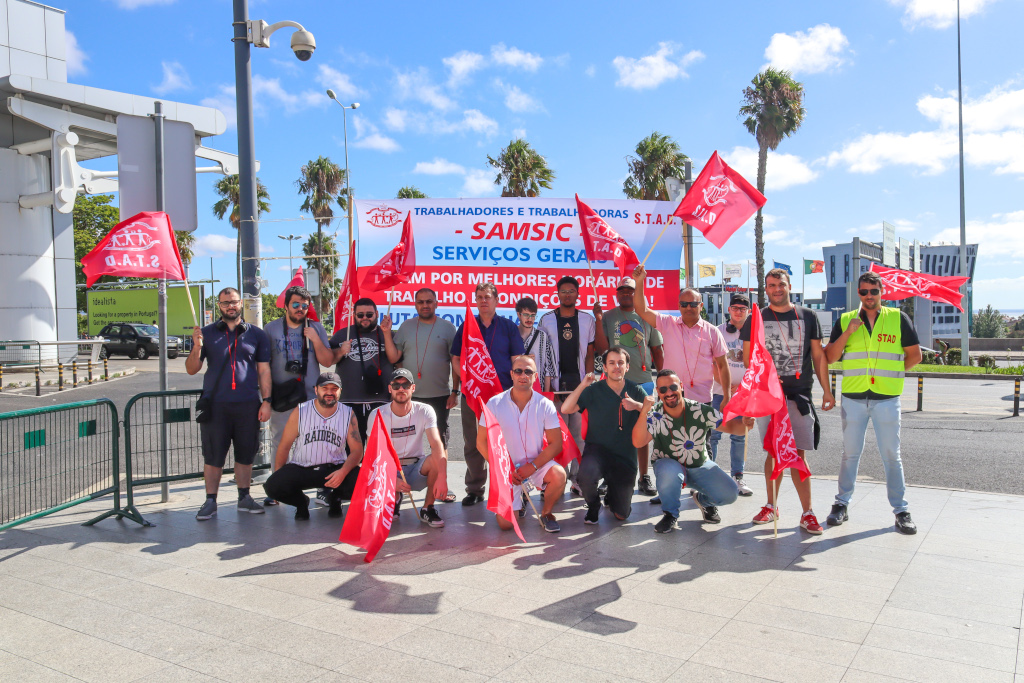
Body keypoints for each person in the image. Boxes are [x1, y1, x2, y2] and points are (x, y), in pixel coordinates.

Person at [824, 271, 921, 534]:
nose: (869, 296)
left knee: (892, 455)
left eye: (874, 291)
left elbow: (915, 356)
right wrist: (848, 332)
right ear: (858, 293)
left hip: (886, 399)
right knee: (850, 454)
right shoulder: (846, 320)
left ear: (882, 292)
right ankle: (841, 504)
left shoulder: (898, 318)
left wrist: (894, 374)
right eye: (864, 291)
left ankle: (901, 510)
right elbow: (830, 357)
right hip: (854, 398)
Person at [741, 268, 835, 534]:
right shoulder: (756, 318)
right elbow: (749, 361)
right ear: (766, 289)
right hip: (769, 397)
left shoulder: (808, 316)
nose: (776, 289)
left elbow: (818, 356)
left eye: (780, 284)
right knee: (773, 452)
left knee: (797, 454)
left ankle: (807, 512)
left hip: (798, 396)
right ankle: (771, 506)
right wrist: (754, 397)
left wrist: (827, 391)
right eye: (771, 285)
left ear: (789, 286)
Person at [185, 287, 272, 521]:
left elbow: (264, 371)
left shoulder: (256, 334)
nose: (230, 306)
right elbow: (192, 369)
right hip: (216, 406)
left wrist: (266, 401)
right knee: (213, 456)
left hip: (248, 405)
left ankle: (244, 497)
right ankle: (210, 501)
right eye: (225, 303)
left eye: (233, 302)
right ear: (219, 306)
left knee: (246, 454)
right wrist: (197, 346)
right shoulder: (206, 333)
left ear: (240, 303)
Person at [633, 370, 753, 532]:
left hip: (699, 465)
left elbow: (731, 427)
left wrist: (745, 424)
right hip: (669, 467)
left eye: (673, 387)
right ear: (658, 392)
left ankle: (704, 501)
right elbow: (638, 442)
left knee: (730, 494)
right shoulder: (655, 414)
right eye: (663, 389)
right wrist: (643, 412)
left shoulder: (699, 410)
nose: (669, 393)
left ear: (681, 386)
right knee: (669, 471)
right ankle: (670, 514)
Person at [451, 283, 525, 506]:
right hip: (473, 394)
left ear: (496, 300)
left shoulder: (508, 327)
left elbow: (517, 360)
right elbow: (456, 358)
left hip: (503, 395)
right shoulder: (467, 326)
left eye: (488, 296)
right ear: (476, 300)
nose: (484, 300)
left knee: (507, 442)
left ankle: (511, 486)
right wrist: (468, 380)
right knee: (473, 443)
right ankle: (475, 490)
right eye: (480, 297)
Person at [476, 355, 565, 533]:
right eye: (518, 371)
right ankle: (519, 500)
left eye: (528, 371)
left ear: (535, 376)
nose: (523, 375)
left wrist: (532, 466)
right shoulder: (494, 403)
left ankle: (547, 514)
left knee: (559, 475)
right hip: (508, 471)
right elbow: (481, 442)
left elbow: (556, 444)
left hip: (536, 465)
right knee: (506, 525)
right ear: (511, 374)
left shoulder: (545, 404)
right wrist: (502, 471)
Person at [262, 286, 334, 504]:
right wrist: (265, 399)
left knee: (318, 444)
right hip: (282, 398)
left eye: (304, 305)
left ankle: (322, 489)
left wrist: (315, 339)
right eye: (295, 304)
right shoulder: (271, 329)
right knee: (279, 443)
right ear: (286, 305)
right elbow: (264, 366)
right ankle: (276, 489)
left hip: (311, 398)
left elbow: (327, 361)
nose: (300, 308)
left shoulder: (316, 327)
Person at [594, 276, 665, 496]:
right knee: (612, 433)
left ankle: (644, 477)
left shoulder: (648, 316)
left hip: (643, 381)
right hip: (615, 383)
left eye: (630, 290)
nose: (626, 293)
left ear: (637, 293)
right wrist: (598, 319)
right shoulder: (609, 316)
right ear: (617, 294)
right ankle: (610, 476)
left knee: (643, 432)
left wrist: (662, 379)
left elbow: (657, 350)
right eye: (622, 290)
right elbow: (602, 349)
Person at [560, 347, 647, 524]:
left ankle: (612, 493)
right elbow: (566, 408)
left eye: (621, 363)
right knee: (585, 477)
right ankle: (593, 505)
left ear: (627, 367)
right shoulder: (594, 390)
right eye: (612, 363)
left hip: (625, 456)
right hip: (597, 451)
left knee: (622, 515)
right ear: (605, 367)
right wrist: (583, 385)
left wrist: (637, 406)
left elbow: (655, 413)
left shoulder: (636, 390)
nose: (617, 367)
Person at [262, 372, 364, 519]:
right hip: (302, 468)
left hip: (334, 468)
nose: (329, 392)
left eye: (334, 389)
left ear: (340, 391)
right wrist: (279, 477)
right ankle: (301, 502)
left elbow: (357, 451)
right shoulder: (301, 410)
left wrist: (342, 472)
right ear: (316, 390)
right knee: (273, 486)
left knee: (363, 481)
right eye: (325, 388)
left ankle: (335, 498)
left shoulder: (348, 413)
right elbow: (284, 446)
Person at [632, 265, 730, 407]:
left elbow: (723, 365)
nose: (688, 307)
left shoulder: (713, 331)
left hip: (701, 400)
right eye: (684, 304)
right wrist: (639, 281)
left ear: (701, 306)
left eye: (693, 304)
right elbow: (642, 310)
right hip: (670, 397)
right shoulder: (667, 323)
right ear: (678, 306)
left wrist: (727, 396)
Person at [368, 369, 450, 527]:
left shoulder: (425, 410)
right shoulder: (377, 414)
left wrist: (442, 476)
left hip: (415, 468)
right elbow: (371, 454)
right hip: (389, 468)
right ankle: (394, 499)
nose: (401, 389)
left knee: (435, 459)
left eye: (405, 385)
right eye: (396, 385)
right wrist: (390, 479)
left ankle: (428, 508)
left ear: (413, 388)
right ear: (390, 388)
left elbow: (436, 444)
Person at [538, 276, 596, 495]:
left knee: (579, 437)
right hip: (555, 389)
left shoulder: (587, 319)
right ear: (557, 294)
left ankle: (577, 479)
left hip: (579, 389)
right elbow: (542, 356)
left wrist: (588, 383)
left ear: (578, 294)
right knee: (556, 438)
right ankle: (555, 480)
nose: (567, 295)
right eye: (563, 291)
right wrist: (547, 388)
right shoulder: (546, 320)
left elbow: (590, 353)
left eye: (571, 291)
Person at [393, 288, 459, 446]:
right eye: (420, 302)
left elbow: (455, 361)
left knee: (440, 439)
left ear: (436, 304)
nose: (425, 305)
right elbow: (396, 359)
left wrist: (455, 392)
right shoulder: (405, 327)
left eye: (429, 301)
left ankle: (440, 464)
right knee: (406, 440)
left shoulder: (448, 328)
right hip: (409, 394)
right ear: (415, 305)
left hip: (440, 396)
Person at [329, 297, 400, 441]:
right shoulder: (342, 335)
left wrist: (397, 389)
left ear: (377, 314)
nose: (365, 318)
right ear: (354, 315)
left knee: (379, 447)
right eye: (360, 315)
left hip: (381, 401)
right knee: (352, 449)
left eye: (369, 314)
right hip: (349, 402)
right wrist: (341, 351)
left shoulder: (389, 334)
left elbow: (396, 362)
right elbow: (329, 360)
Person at [708, 293, 754, 497]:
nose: (738, 312)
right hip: (719, 392)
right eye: (735, 308)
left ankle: (738, 476)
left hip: (744, 394)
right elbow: (712, 363)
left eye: (742, 309)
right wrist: (726, 387)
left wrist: (743, 387)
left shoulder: (753, 332)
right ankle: (709, 476)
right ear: (729, 310)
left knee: (739, 436)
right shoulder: (718, 331)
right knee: (713, 434)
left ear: (748, 312)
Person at [515, 297, 557, 391]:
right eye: (526, 315)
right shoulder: (511, 334)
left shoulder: (542, 336)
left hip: (537, 390)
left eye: (533, 315)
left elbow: (548, 368)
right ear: (518, 314)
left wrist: (545, 394)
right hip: (515, 391)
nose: (529, 319)